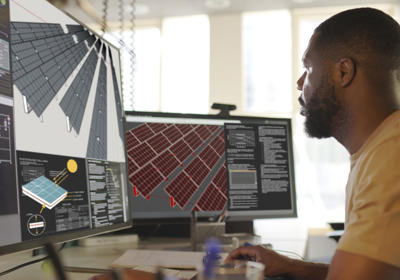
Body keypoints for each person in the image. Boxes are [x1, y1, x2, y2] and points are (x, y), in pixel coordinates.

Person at [226, 7, 400, 280]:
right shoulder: (379, 147)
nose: (299, 83)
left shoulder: (390, 159)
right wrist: (296, 268)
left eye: (308, 68)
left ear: (344, 72)